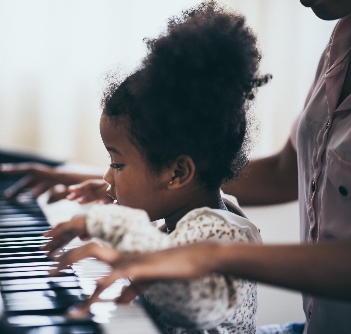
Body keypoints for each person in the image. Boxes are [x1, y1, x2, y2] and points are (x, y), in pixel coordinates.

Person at [40, 1, 351, 333]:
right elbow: (282, 172)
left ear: (177, 174)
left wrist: (114, 224)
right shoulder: (192, 217)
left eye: (116, 163)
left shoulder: (217, 231)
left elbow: (195, 301)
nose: (107, 176)